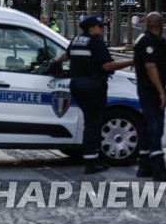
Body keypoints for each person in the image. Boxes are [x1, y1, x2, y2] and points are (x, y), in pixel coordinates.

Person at [53, 16, 133, 174]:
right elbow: (108, 65)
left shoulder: (77, 40)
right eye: (99, 26)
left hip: (76, 84)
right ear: (91, 28)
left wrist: (54, 62)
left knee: (90, 122)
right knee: (93, 123)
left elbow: (65, 56)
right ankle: (91, 161)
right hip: (92, 85)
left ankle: (94, 158)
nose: (102, 28)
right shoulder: (96, 43)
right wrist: (132, 62)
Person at [133, 12, 166, 182]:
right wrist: (161, 91)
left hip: (147, 89)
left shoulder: (144, 39)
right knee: (155, 127)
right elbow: (151, 67)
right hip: (151, 90)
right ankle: (158, 168)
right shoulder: (148, 42)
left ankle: (144, 165)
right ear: (160, 25)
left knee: (147, 127)